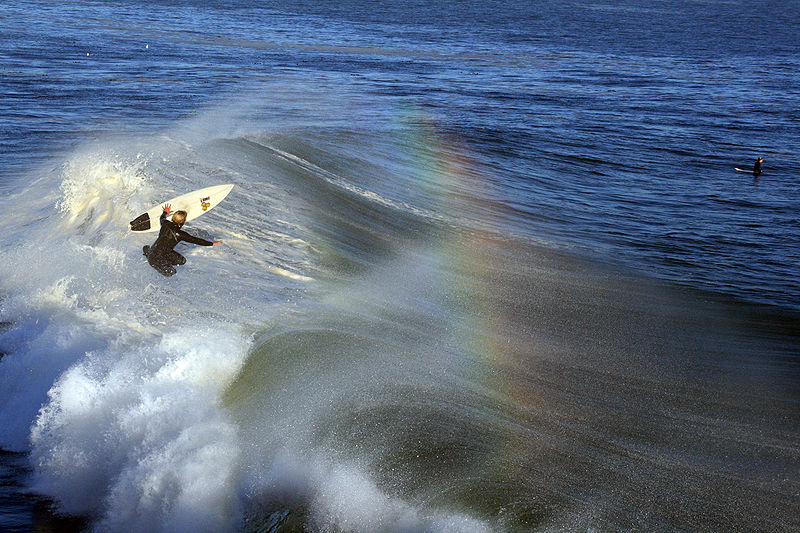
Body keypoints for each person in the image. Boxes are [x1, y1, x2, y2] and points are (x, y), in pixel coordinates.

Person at [143, 203, 221, 276]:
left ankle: (149, 253)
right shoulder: (180, 234)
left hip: (152, 252)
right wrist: (211, 243)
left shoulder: (165, 224)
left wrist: (165, 212)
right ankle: (163, 262)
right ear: (183, 222)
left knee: (160, 251)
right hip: (158, 260)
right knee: (176, 268)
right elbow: (195, 240)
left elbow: (162, 218)